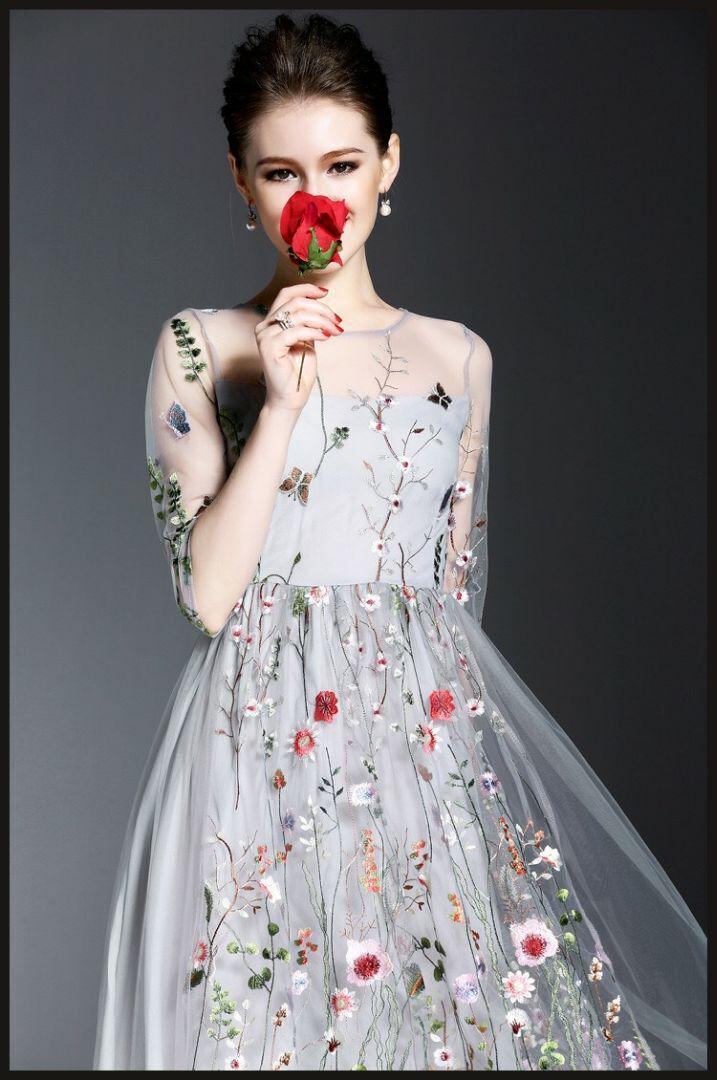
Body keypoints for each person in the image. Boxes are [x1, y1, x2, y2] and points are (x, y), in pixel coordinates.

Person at [93, 12, 706, 1072]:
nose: (316, 200)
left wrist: (432, 776)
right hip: (253, 744)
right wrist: (281, 406)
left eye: (342, 164)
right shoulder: (202, 346)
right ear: (241, 184)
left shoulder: (457, 358)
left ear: (389, 164)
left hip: (417, 747)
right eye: (281, 172)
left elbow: (456, 594)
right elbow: (207, 597)